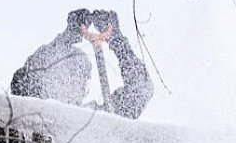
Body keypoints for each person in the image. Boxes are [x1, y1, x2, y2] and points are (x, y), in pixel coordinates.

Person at [11, 9, 153, 119]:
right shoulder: (39, 115)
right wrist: (66, 38)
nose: (74, 80)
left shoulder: (98, 119)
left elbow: (142, 89)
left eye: (80, 75)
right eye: (68, 73)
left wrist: (118, 43)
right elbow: (22, 81)